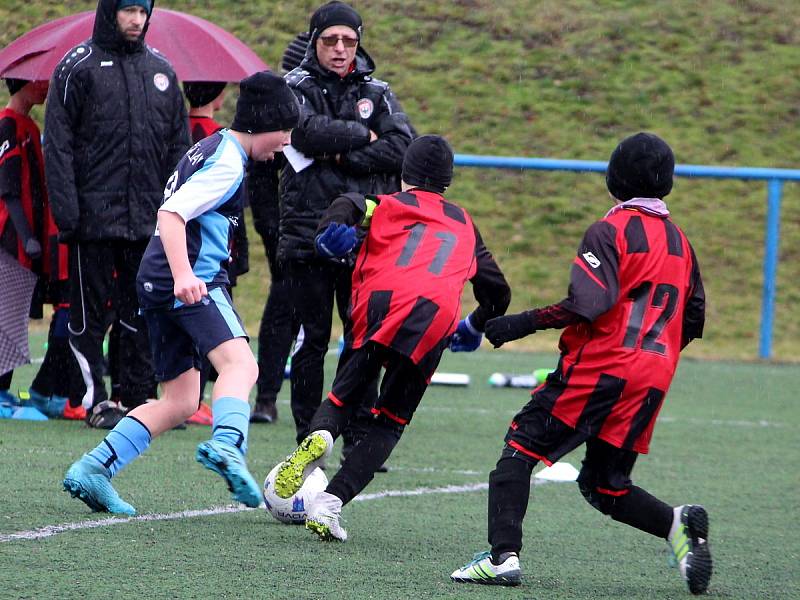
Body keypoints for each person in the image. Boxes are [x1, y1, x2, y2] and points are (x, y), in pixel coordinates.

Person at [450, 133, 711, 594]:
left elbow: (590, 302)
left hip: (601, 369)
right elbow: (692, 318)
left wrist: (521, 324)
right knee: (604, 484)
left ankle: (501, 558)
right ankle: (677, 526)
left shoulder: (608, 230)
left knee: (519, 450)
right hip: (652, 376)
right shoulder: (682, 243)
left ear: (615, 178)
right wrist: (649, 359)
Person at [62, 71, 300, 515]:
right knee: (241, 365)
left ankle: (93, 469)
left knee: (180, 400)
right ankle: (229, 445)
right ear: (264, 122)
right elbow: (171, 213)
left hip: (156, 280)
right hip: (189, 282)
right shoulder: (228, 160)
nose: (285, 143)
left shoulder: (213, 147)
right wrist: (185, 275)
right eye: (285, 132)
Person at [272, 135, 511, 541]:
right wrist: (474, 325)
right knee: (389, 424)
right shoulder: (466, 225)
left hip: (380, 305)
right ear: (447, 183)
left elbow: (349, 202)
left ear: (403, 174)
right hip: (433, 316)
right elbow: (498, 291)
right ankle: (328, 508)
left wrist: (328, 232)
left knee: (342, 398)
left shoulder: (385, 204)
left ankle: (322, 437)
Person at [269, 1, 415, 445]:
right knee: (311, 340)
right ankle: (308, 434)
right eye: (331, 39)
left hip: (363, 235)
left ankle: (354, 431)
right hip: (306, 235)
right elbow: (303, 132)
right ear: (315, 41)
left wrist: (336, 150)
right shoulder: (292, 86)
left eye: (348, 41)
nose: (339, 48)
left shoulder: (379, 91)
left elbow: (402, 148)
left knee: (362, 339)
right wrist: (360, 137)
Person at [44, 0, 190, 429]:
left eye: (143, 12)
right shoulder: (77, 67)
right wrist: (69, 214)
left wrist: (174, 210)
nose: (136, 20)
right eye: (128, 10)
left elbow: (180, 149)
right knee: (89, 317)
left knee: (142, 313)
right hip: (91, 221)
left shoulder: (162, 72)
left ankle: (138, 399)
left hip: (147, 220)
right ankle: (95, 399)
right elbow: (58, 145)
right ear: (111, 12)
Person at [0, 78, 84, 419]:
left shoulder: (29, 126)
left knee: (14, 316)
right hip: (11, 240)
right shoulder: (8, 126)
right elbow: (7, 188)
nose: (46, 85)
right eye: (40, 80)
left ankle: (7, 391)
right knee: (5, 317)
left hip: (26, 242)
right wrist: (26, 235)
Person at [248, 33, 309, 425]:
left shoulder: (337, 106)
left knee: (315, 312)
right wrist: (272, 227)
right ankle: (267, 395)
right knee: (284, 302)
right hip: (287, 227)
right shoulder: (277, 112)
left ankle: (334, 408)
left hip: (326, 221)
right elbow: (260, 176)